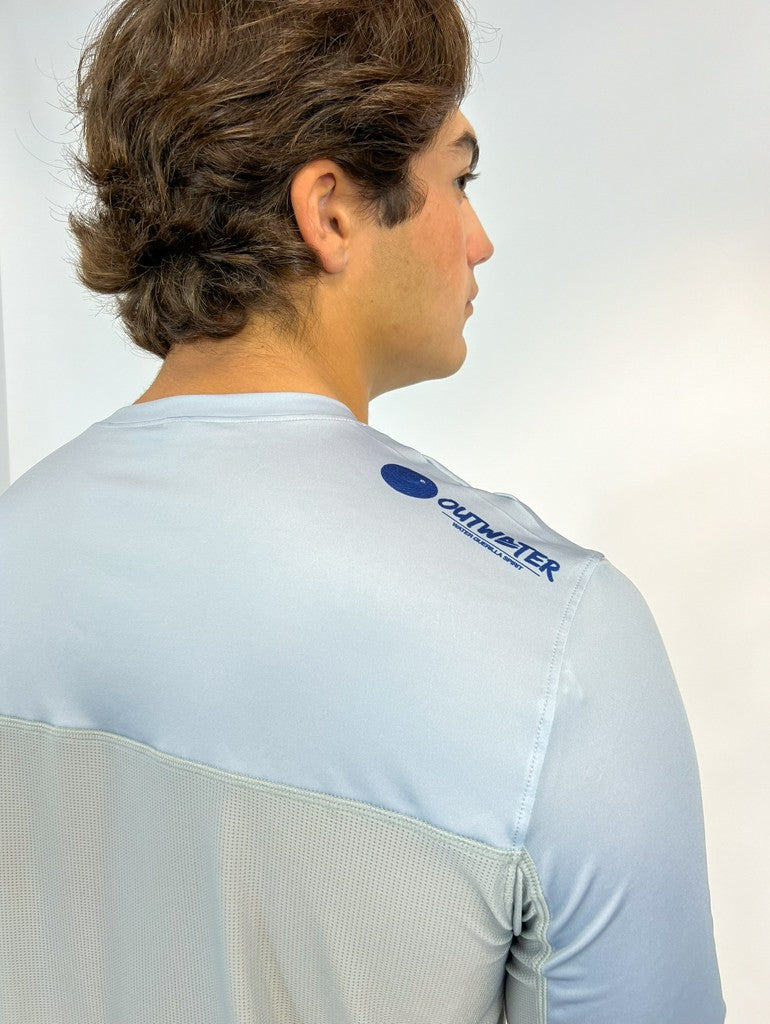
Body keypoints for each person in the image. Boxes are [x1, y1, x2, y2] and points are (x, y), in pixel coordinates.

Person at [0, 1, 725, 1021]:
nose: (478, 240)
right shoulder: (563, 643)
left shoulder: (16, 543)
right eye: (458, 179)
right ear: (330, 211)